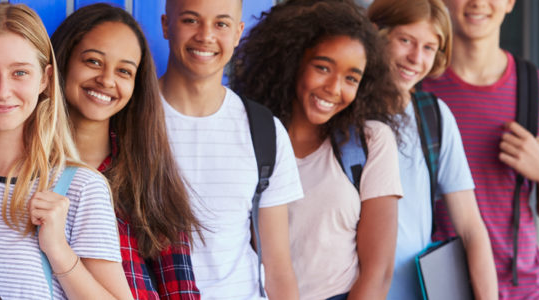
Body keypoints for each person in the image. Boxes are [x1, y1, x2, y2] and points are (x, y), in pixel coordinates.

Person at [0, 3, 131, 299]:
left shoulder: (80, 188)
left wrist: (59, 251)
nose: (2, 91)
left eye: (20, 73)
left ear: (45, 79)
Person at [231, 1, 404, 299]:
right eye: (323, 67)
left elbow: (378, 271)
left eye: (351, 78)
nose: (334, 88)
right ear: (293, 60)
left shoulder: (370, 142)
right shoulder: (249, 136)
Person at [50, 3, 201, 299]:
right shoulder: (21, 167)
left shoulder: (149, 175)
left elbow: (180, 290)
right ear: (63, 61)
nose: (107, 80)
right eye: (93, 61)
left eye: (124, 71)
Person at [420, 0, 539, 298]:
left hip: (523, 290)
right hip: (438, 289)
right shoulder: (420, 90)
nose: (477, 2)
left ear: (511, 2)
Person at [159, 0, 304, 298]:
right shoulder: (129, 119)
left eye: (221, 24)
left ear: (238, 33)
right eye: (190, 20)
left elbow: (277, 266)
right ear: (166, 25)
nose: (205, 35)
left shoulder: (264, 130)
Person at [366, 0, 499, 298]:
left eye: (428, 48)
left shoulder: (434, 116)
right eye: (405, 41)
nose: (416, 58)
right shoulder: (344, 110)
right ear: (376, 34)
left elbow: (471, 227)